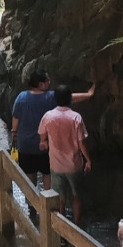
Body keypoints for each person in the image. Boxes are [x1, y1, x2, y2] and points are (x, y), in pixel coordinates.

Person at [38, 86, 91, 224]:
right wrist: (88, 160)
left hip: (56, 165)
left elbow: (42, 139)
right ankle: (76, 224)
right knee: (76, 196)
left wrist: (44, 144)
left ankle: (61, 224)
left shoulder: (48, 116)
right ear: (70, 100)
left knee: (59, 197)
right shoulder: (76, 118)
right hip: (74, 165)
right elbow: (82, 143)